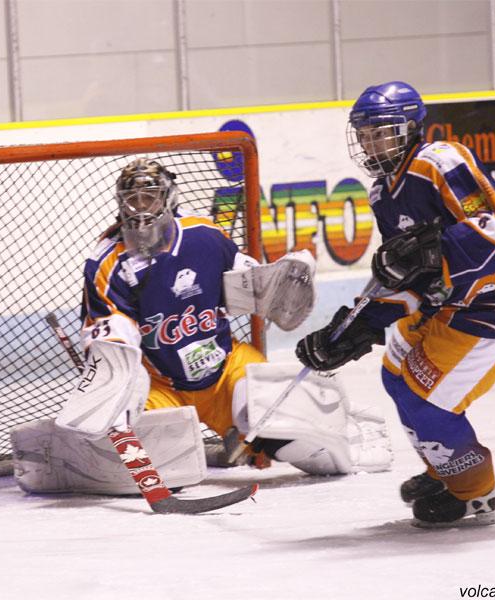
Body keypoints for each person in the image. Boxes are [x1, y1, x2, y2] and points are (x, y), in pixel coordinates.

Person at [297, 81, 495, 527]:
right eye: (364, 134)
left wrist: (433, 254)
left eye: (381, 132)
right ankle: (445, 470)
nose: (370, 143)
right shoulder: (383, 194)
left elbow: (493, 234)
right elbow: (404, 276)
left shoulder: (441, 160)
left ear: (411, 128)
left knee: (426, 401)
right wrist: (352, 329)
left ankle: (475, 495)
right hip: (457, 299)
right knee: (396, 372)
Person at [71, 157, 391, 478]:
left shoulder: (204, 237)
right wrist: (120, 380)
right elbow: (110, 339)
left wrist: (273, 286)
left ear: (168, 198)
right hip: (160, 386)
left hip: (226, 370)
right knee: (148, 461)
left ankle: (354, 434)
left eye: (149, 197)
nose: (140, 207)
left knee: (292, 437)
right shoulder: (108, 264)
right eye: (132, 198)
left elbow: (247, 285)